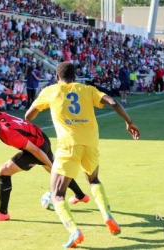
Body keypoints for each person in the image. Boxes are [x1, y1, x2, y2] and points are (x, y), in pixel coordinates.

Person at [25, 62, 140, 248]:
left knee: (57, 195)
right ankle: (107, 216)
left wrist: (43, 106)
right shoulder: (88, 89)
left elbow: (29, 116)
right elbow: (113, 102)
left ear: (57, 77)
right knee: (94, 180)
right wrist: (129, 122)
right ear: (75, 76)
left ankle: (74, 231)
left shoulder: (50, 91)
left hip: (68, 145)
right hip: (91, 143)